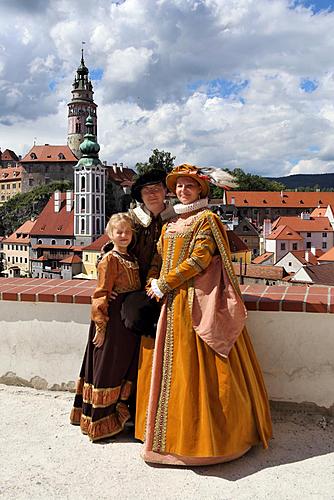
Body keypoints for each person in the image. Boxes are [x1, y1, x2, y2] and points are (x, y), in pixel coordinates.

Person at [143, 164, 272, 465]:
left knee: (201, 369)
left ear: (201, 189)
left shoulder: (207, 219)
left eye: (189, 186)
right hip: (171, 304)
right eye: (178, 186)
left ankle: (212, 441)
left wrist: (165, 283)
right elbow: (158, 258)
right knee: (174, 371)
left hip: (196, 301)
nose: (183, 190)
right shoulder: (170, 223)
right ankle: (169, 438)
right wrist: (153, 279)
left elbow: (200, 259)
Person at [70, 213, 141, 441]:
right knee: (107, 367)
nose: (123, 236)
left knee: (122, 367)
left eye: (127, 232)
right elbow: (100, 294)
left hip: (125, 321)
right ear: (110, 234)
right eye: (119, 232)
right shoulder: (110, 259)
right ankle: (98, 421)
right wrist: (100, 327)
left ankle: (115, 415)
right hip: (110, 321)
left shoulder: (132, 258)